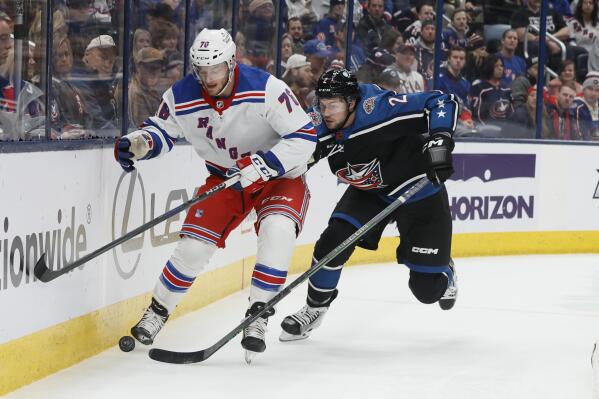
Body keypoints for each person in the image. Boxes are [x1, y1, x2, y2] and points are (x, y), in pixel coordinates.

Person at [114, 28, 316, 362]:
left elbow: (304, 137)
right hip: (227, 178)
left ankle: (258, 317)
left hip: (279, 177)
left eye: (215, 68)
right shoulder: (181, 95)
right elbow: (161, 131)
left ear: (231, 62)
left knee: (277, 231)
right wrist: (139, 144)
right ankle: (157, 312)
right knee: (192, 247)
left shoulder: (266, 88)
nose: (208, 77)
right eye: (202, 69)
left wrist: (265, 165)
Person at [279, 68, 459, 341]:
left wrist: (440, 141)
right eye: (323, 104)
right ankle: (314, 309)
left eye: (334, 105)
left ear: (352, 103)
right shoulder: (317, 122)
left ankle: (445, 269)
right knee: (332, 243)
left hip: (417, 189)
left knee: (427, 290)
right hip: (370, 191)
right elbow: (291, 152)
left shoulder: (379, 109)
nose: (326, 112)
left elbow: (442, 101)